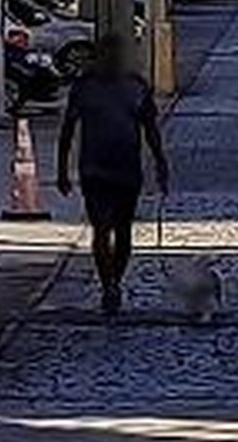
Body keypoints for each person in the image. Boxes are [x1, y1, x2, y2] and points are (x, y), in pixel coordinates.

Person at [52, 36, 170, 321]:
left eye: (116, 54)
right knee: (101, 229)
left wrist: (160, 162)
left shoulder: (136, 86)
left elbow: (150, 128)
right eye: (106, 54)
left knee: (124, 230)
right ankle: (109, 286)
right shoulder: (84, 87)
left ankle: (115, 280)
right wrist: (61, 170)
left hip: (127, 169)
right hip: (94, 170)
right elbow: (68, 129)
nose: (111, 60)